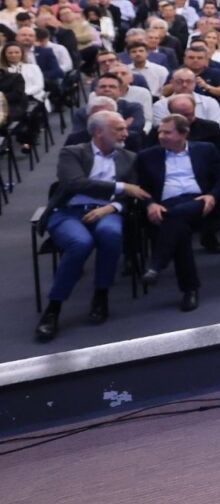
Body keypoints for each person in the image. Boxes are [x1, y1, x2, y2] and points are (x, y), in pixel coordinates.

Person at [34, 111, 151, 340]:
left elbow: (135, 192)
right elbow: (75, 183)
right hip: (70, 212)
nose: (125, 133)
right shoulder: (72, 153)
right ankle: (53, 308)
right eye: (119, 129)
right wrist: (120, 187)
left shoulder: (129, 157)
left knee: (110, 234)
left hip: (107, 212)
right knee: (80, 243)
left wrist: (112, 207)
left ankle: (101, 295)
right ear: (99, 132)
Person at [133, 114, 220, 312]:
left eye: (167, 132)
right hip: (166, 205)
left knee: (175, 219)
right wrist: (150, 204)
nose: (161, 136)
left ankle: (157, 264)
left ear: (184, 133)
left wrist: (212, 196)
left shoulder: (205, 150)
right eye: (160, 132)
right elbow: (140, 187)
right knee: (179, 229)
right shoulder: (147, 156)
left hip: (199, 202)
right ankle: (190, 289)